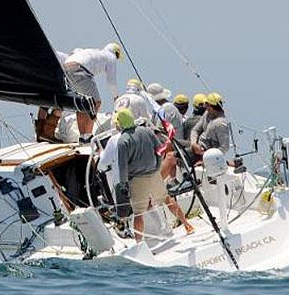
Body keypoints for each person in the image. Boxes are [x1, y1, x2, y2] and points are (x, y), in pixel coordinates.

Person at [113, 109, 193, 240]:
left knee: (139, 213)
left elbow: (123, 166)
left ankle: (139, 243)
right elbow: (160, 150)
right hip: (154, 175)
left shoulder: (122, 141)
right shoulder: (146, 131)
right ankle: (186, 224)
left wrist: (123, 184)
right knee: (167, 199)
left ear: (120, 123)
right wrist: (157, 167)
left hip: (138, 180)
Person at [63, 43, 122, 142]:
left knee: (81, 104)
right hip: (80, 70)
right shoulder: (111, 57)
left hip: (66, 68)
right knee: (96, 102)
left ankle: (82, 137)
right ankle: (88, 136)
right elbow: (111, 81)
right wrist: (116, 97)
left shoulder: (97, 52)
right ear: (116, 53)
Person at [190, 92, 231, 159]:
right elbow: (195, 130)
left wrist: (207, 157)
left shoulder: (221, 124)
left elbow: (224, 147)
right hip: (196, 146)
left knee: (172, 156)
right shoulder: (207, 114)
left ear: (211, 107)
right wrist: (194, 144)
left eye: (206, 104)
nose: (204, 106)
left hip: (206, 154)